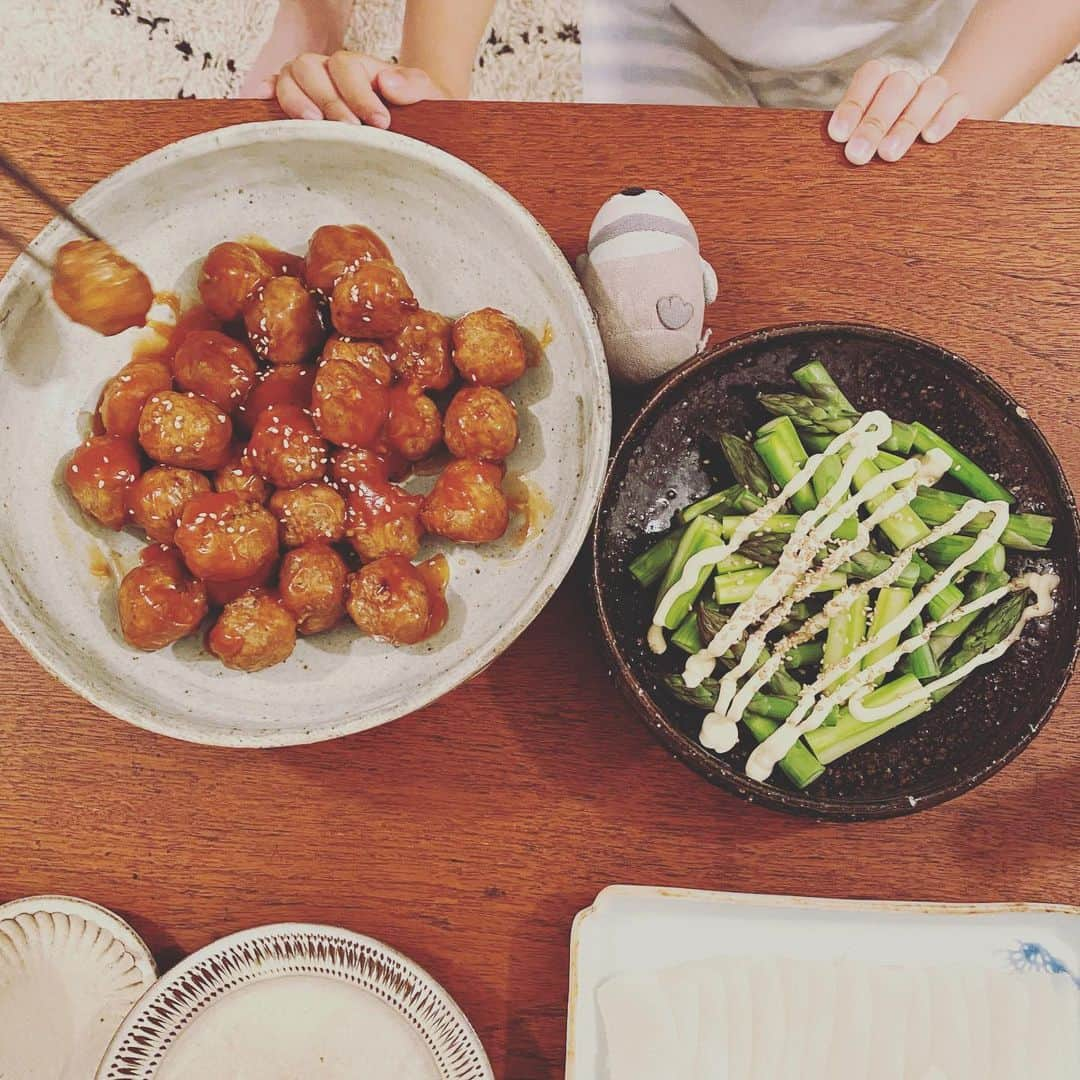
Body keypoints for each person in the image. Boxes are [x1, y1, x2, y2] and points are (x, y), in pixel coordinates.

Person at [244, 0, 1080, 165]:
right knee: (659, 241)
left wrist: (960, 89)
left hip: (904, 30)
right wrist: (435, 76)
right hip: (668, 14)